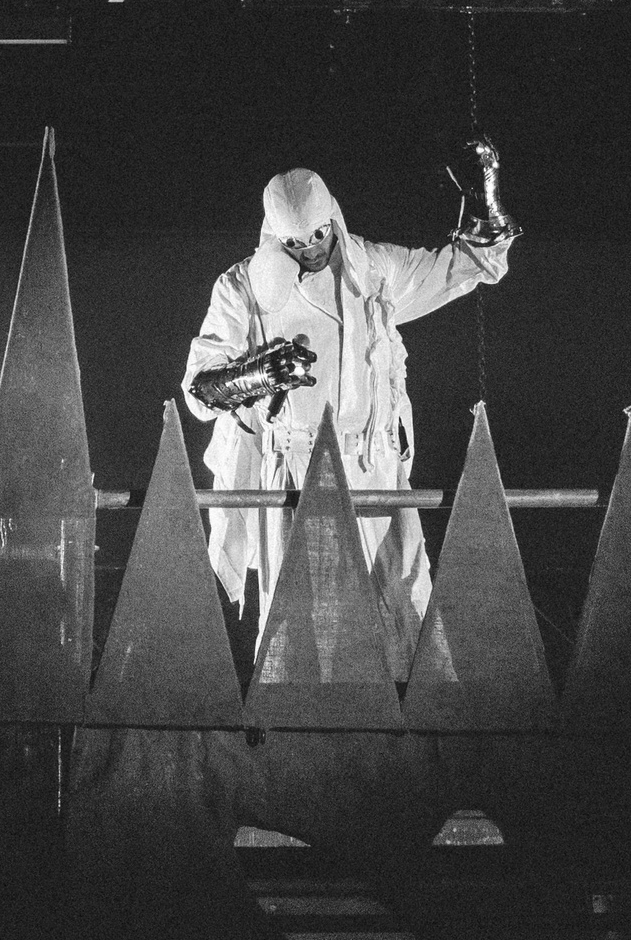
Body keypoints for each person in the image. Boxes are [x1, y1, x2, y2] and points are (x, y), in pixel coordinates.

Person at [181, 153, 516, 669]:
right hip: (294, 473)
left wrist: (486, 202)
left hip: (374, 467)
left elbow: (467, 266)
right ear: (276, 237)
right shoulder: (243, 287)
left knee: (403, 609)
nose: (311, 249)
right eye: (296, 242)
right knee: (298, 629)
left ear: (332, 219)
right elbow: (199, 389)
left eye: (318, 235)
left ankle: (415, 718)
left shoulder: (375, 270)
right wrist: (259, 373)